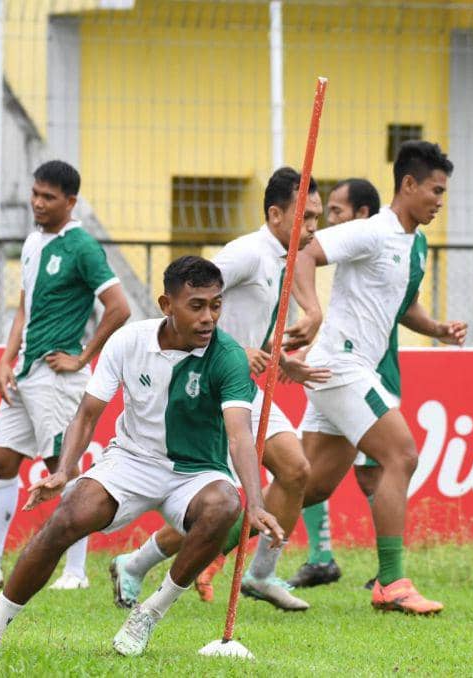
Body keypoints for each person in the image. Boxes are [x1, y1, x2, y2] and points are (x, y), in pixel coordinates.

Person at [0, 256, 284, 657]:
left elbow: (239, 436)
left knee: (226, 504)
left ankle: (149, 613)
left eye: (215, 305)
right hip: (132, 460)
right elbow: (88, 412)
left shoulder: (228, 356)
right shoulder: (130, 341)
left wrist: (256, 501)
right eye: (196, 305)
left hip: (196, 472)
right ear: (167, 306)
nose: (208, 318)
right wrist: (63, 472)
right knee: (65, 518)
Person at [109, 167, 330, 612]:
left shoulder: (279, 261)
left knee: (296, 471)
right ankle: (135, 563)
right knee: (218, 505)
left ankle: (261, 575)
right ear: (274, 214)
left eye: (318, 219)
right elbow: (192, 301)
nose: (313, 229)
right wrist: (238, 348)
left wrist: (285, 362)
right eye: (305, 218)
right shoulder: (247, 254)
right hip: (209, 386)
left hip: (241, 383)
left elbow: (245, 326)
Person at [0, 160, 130, 591]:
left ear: (70, 201)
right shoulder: (32, 242)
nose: (38, 203)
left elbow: (119, 306)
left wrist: (82, 358)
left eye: (48, 197)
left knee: (62, 466)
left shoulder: (81, 246)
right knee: (0, 460)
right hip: (24, 372)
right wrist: (5, 358)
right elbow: (24, 307)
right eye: (35, 194)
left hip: (57, 377)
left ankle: (76, 572)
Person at [291, 141, 464, 615]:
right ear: (407, 185)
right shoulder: (371, 231)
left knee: (308, 486)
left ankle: (199, 550)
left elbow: (405, 306)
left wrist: (438, 329)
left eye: (444, 193)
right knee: (401, 455)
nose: (440, 201)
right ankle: (391, 582)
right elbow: (304, 253)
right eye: (435, 190)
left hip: (351, 370)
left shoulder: (416, 243)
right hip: (339, 365)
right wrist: (311, 310)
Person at [291, 177, 381, 589]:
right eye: (318, 215)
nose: (323, 224)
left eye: (335, 214)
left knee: (390, 463)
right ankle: (319, 556)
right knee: (300, 475)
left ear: (362, 216)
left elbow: (399, 309)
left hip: (368, 372)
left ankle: (391, 572)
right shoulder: (355, 256)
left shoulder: (390, 246)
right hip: (335, 367)